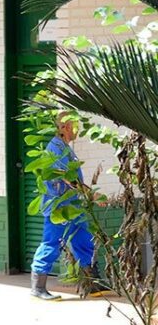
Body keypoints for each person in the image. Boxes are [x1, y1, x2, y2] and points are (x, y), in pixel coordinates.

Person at [30, 112, 105, 300]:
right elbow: (69, 178)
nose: (77, 130)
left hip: (72, 206)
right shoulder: (55, 149)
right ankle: (37, 288)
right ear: (64, 128)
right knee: (51, 244)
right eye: (74, 126)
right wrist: (92, 195)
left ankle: (91, 284)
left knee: (83, 240)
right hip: (59, 208)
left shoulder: (65, 147)